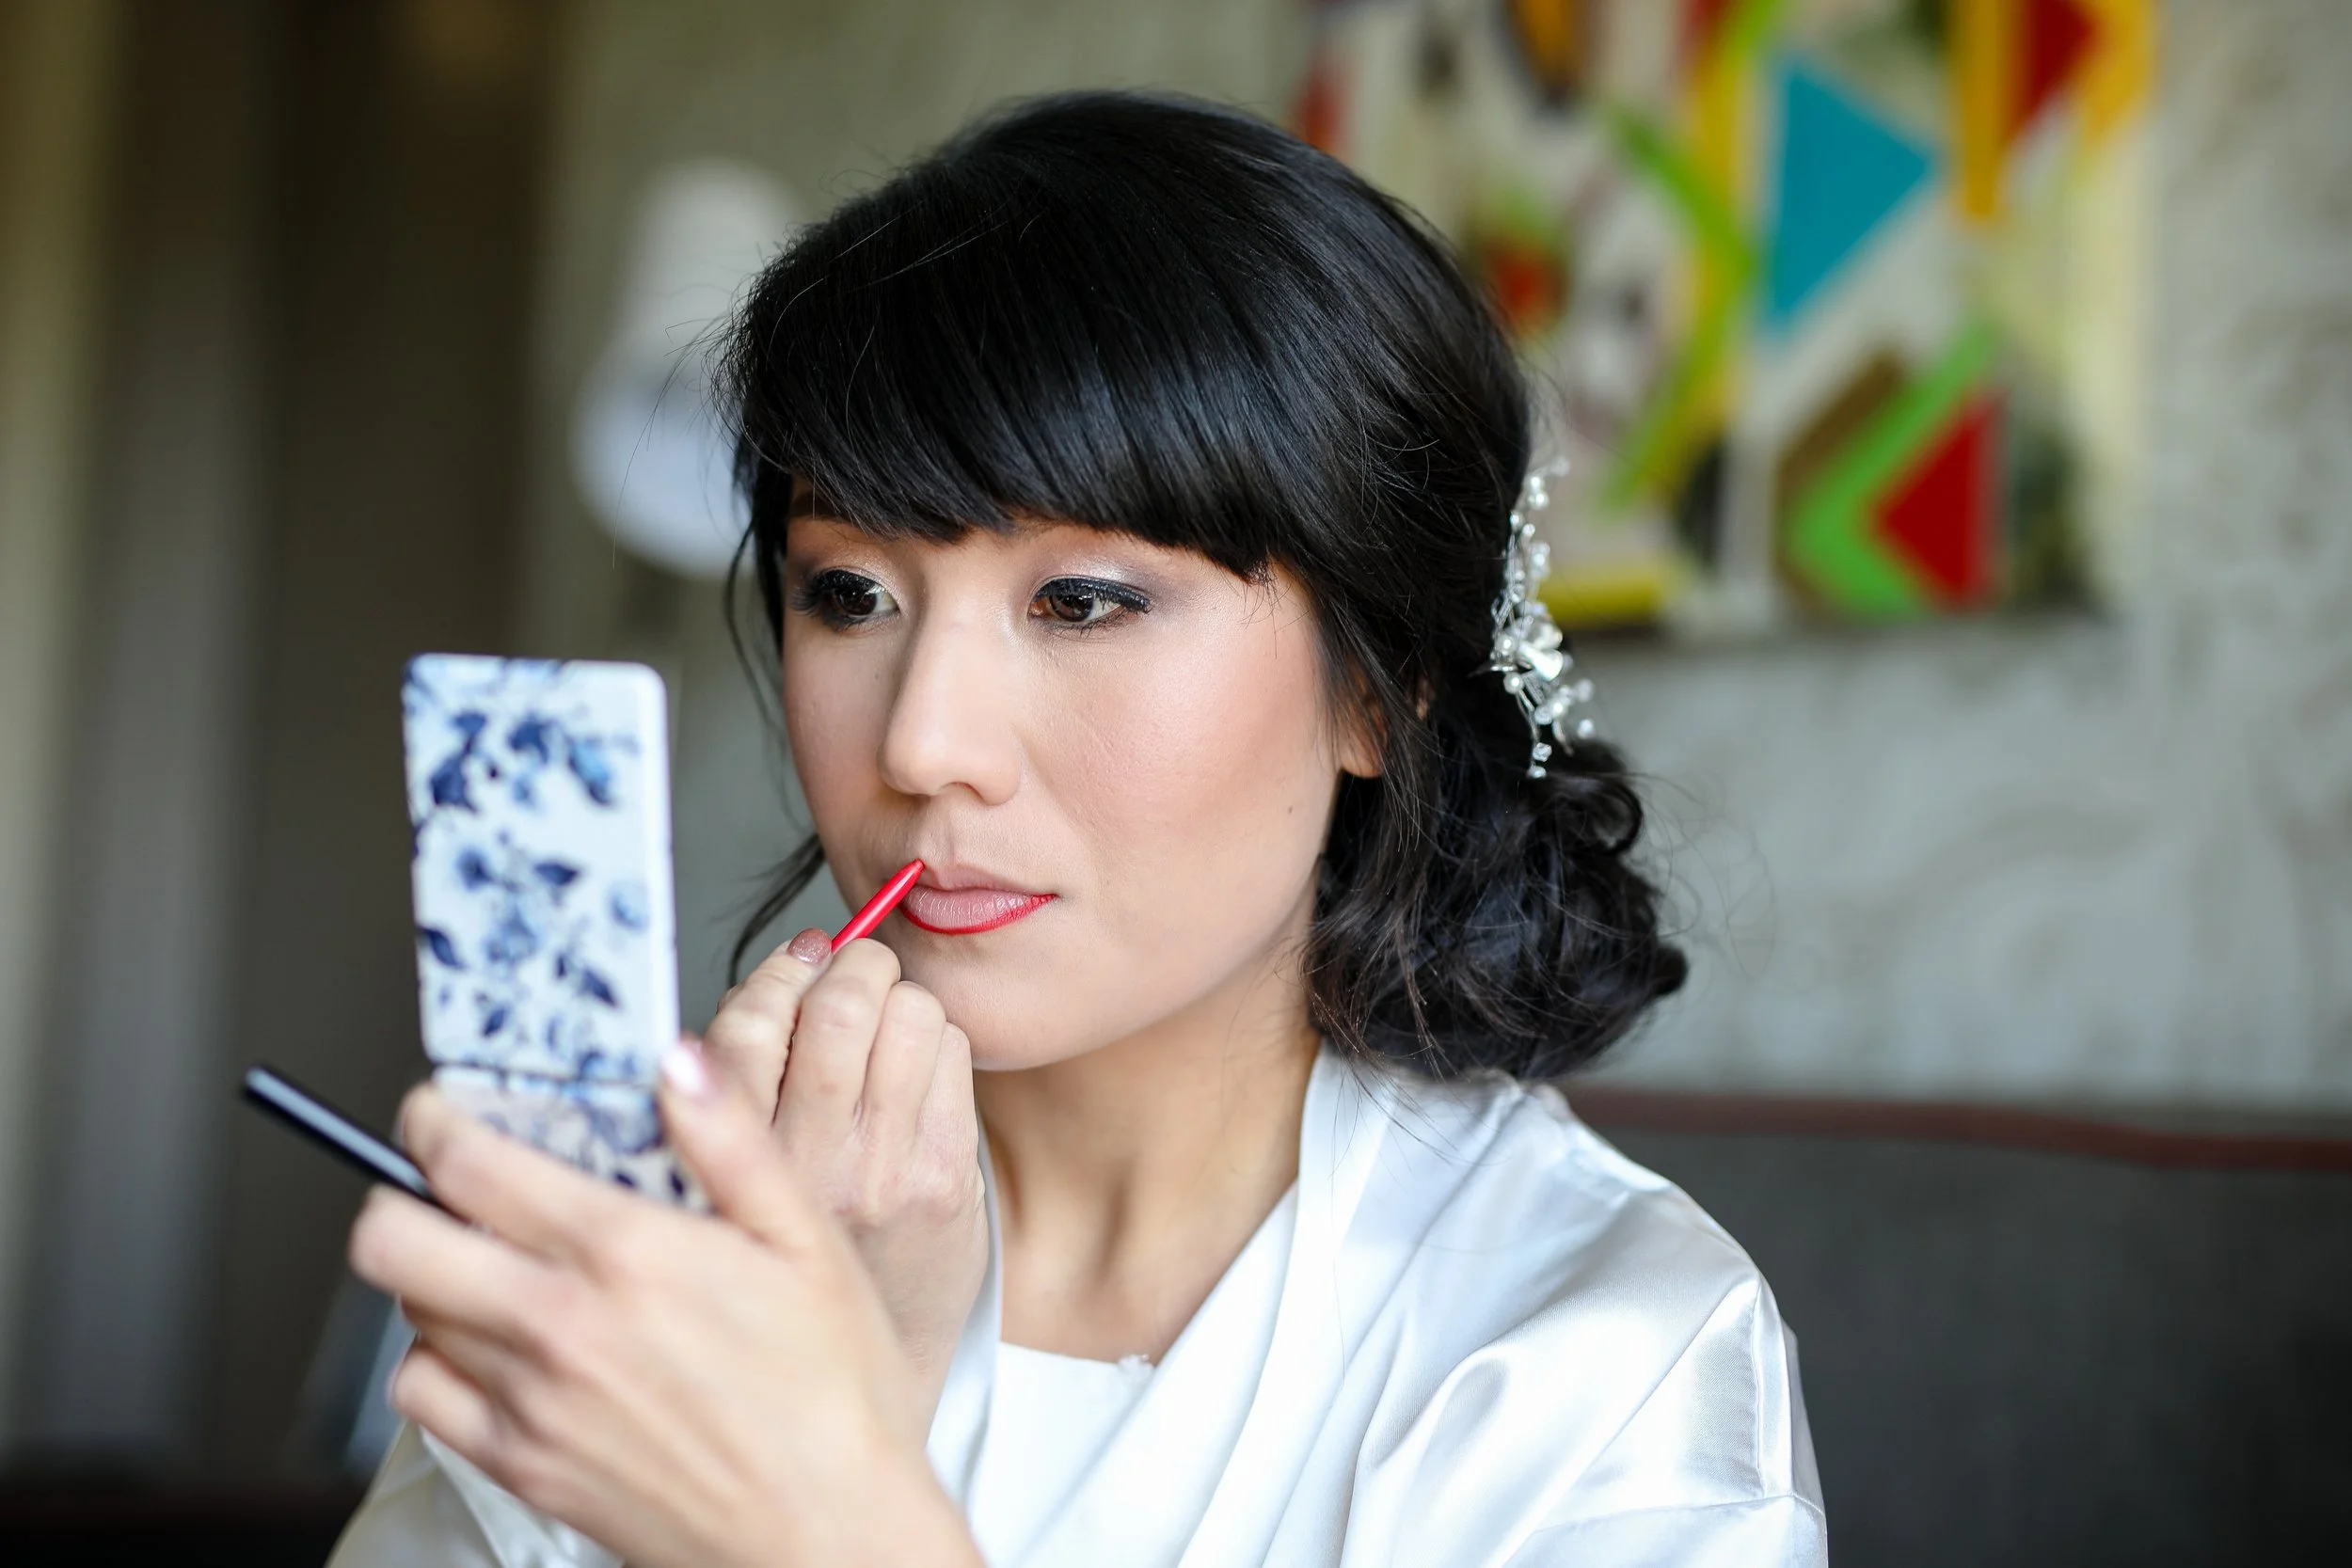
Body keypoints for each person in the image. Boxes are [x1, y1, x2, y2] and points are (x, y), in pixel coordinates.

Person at [328, 90, 1825, 1567]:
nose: (921, 742)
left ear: (1383, 686)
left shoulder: (1593, 1360)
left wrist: (822, 1486)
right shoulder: (642, 1262)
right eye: (848, 593)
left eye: (1081, 601)